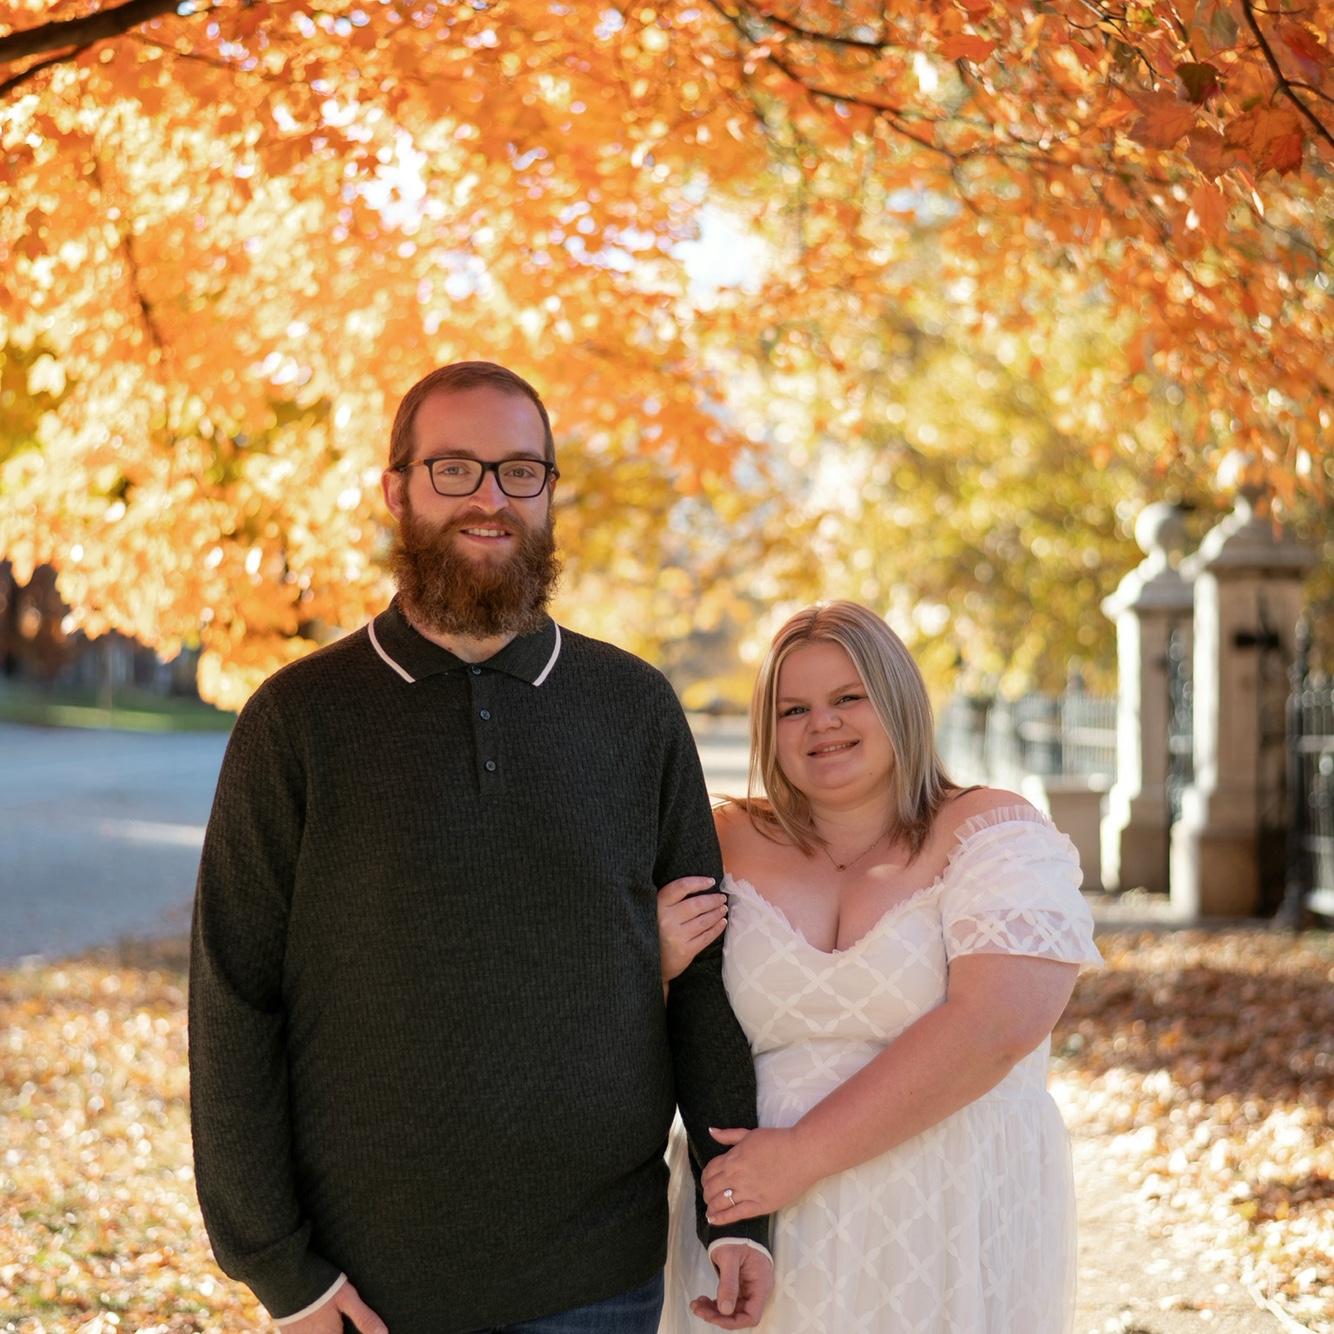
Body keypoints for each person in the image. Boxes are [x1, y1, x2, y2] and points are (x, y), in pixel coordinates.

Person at [188, 361, 773, 1334]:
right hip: (365, 1286)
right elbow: (234, 999)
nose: (490, 498)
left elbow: (706, 984)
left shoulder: (634, 709)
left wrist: (739, 1215)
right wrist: (280, 1268)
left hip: (598, 1279)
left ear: (548, 491)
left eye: (519, 471)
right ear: (397, 489)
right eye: (454, 468)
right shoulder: (297, 719)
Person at [656, 601, 1102, 1332]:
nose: (822, 724)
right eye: (793, 709)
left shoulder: (995, 833)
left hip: (943, 1212)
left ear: (898, 701)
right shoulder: (720, 839)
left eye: (848, 697)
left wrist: (802, 1155)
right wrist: (657, 961)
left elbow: (996, 1027)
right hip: (754, 1225)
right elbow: (652, 1018)